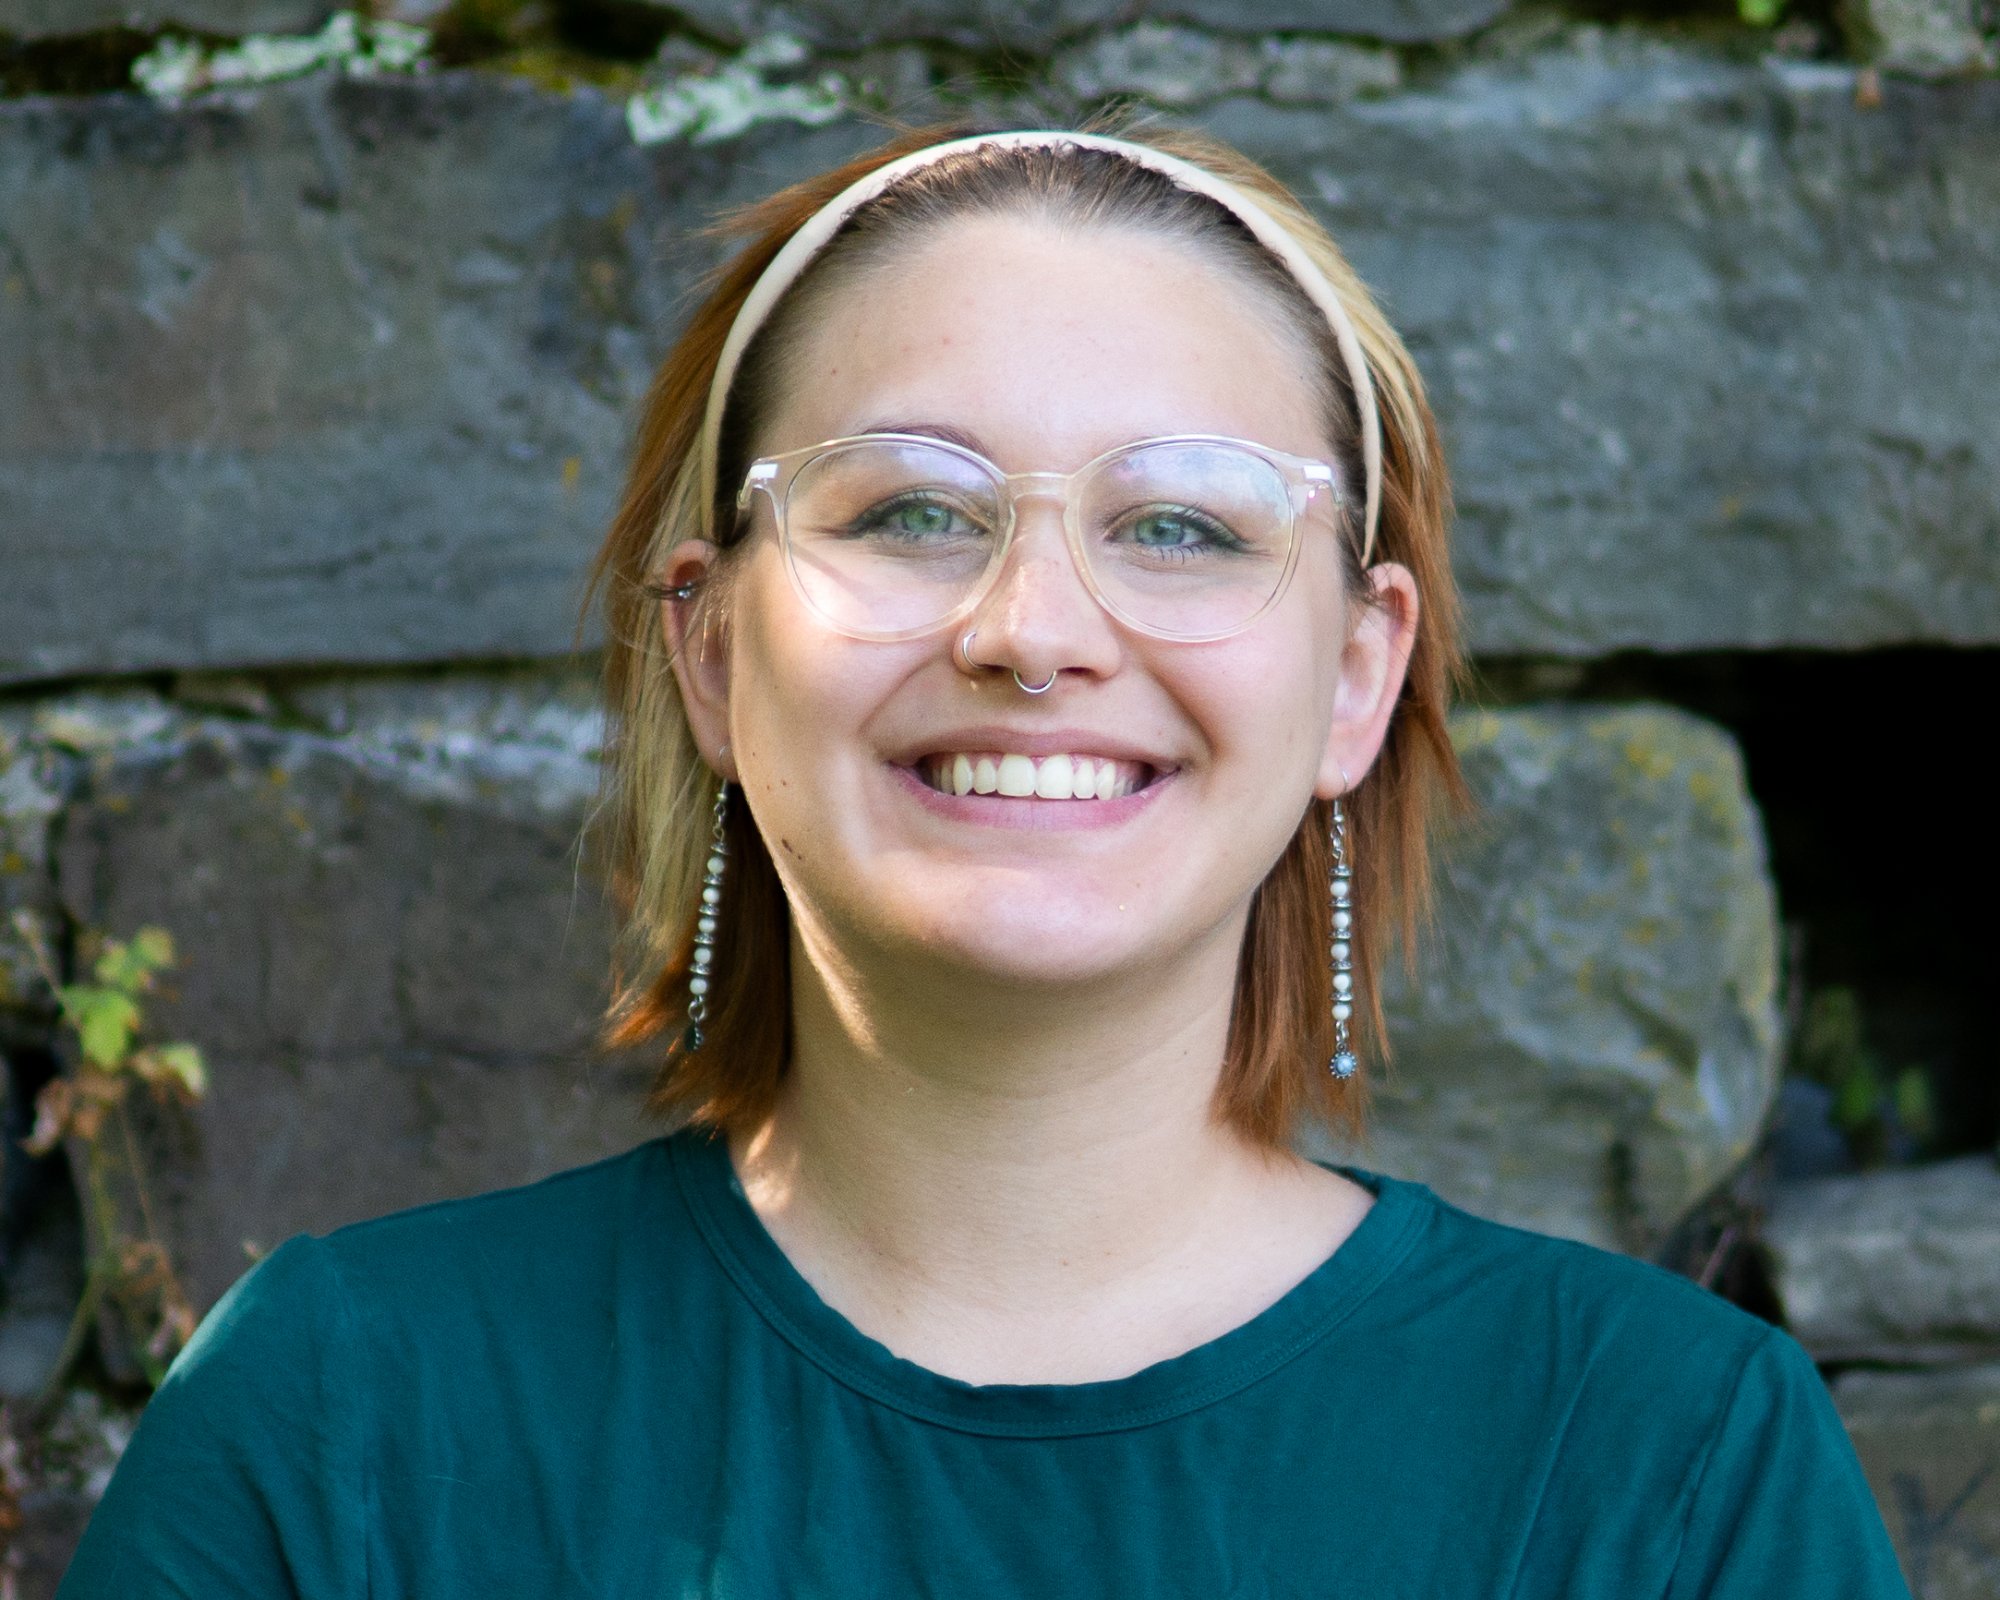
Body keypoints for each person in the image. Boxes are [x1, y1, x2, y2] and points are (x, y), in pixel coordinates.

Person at [61, 119, 1909, 1598]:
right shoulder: (341, 1420)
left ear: (1357, 675)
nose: (1033, 628)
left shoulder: (1671, 1465)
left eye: (1180, 524)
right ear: (711, 653)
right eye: (912, 510)